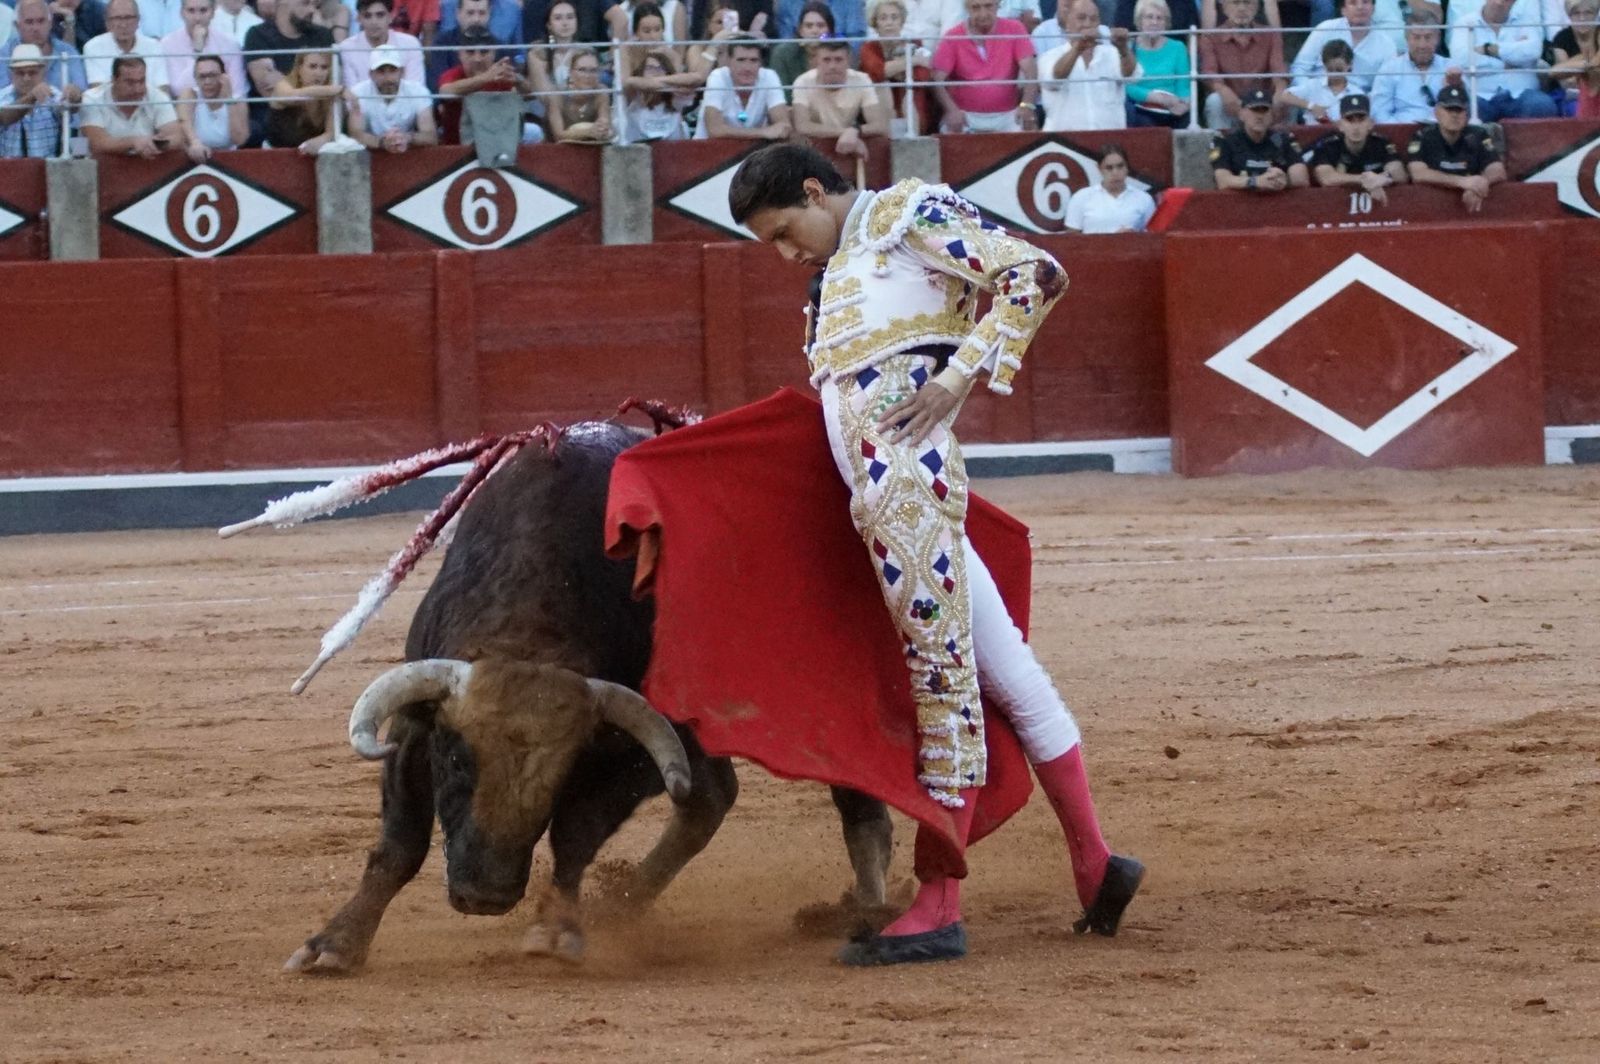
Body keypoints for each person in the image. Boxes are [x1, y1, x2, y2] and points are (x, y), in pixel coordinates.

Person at [729, 142, 1144, 965]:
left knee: (939, 673)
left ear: (816, 191)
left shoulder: (905, 218)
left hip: (906, 489)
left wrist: (957, 379)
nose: (785, 253)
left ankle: (940, 903)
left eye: (785, 231)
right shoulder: (844, 269)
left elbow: (1037, 273)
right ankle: (1097, 866)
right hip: (886, 497)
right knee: (1009, 674)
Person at [931, 0, 1039, 132]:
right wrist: (952, 110)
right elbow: (937, 80)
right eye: (976, 7)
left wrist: (1026, 105)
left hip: (1008, 115)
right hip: (966, 116)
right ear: (967, 8)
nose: (983, 13)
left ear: (998, 5)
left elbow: (1031, 71)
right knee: (948, 131)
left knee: (1030, 128)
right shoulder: (953, 36)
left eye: (988, 6)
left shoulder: (1015, 28)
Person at [1448, 0, 1560, 121]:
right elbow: (1462, 59)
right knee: (1462, 110)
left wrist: (1488, 49)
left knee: (1543, 106)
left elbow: (1532, 52)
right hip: (1480, 96)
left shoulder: (1526, 22)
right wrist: (1505, 63)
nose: (1500, 3)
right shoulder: (1465, 23)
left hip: (1522, 94)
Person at [1405, 82, 1505, 213]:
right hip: (1430, 207)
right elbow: (1418, 173)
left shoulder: (1478, 134)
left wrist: (1479, 184)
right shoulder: (1423, 136)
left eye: (1459, 110)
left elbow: (1497, 169)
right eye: (1449, 109)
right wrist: (1462, 182)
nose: (1454, 115)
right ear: (1437, 112)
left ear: (1467, 114)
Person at [1038, 0, 1137, 131]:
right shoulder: (1050, 56)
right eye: (1081, 18)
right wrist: (1078, 48)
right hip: (1064, 143)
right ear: (1067, 24)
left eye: (1093, 19)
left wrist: (1124, 49)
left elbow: (1130, 75)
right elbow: (1055, 78)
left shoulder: (1111, 53)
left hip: (1108, 143)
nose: (1087, 24)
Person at [437, 25, 535, 143]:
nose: (477, 59)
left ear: (493, 53)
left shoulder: (501, 74)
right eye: (470, 52)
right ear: (460, 54)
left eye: (484, 52)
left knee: (535, 131)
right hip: (458, 147)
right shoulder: (453, 74)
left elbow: (532, 95)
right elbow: (445, 92)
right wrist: (486, 78)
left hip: (499, 143)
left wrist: (519, 81)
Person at [792, 37, 889, 154]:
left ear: (848, 61)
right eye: (826, 60)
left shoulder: (861, 80)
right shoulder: (803, 81)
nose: (832, 66)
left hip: (849, 141)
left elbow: (879, 125)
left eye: (838, 60)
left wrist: (855, 131)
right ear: (816, 62)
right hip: (815, 143)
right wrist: (848, 132)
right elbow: (802, 126)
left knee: (880, 139)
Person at [1199, 0, 1285, 128]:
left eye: (1247, 2)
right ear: (1224, 8)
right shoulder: (1211, 37)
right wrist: (1223, 90)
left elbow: (1279, 70)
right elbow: (1209, 72)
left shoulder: (1270, 34)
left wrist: (1280, 90)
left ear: (1256, 7)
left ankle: (1285, 144)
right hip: (1230, 100)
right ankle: (1220, 144)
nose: (1242, 8)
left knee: (1288, 96)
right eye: (1235, 3)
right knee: (1215, 101)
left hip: (1262, 101)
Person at [1307, 93, 1405, 202]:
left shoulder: (1381, 143)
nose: (1356, 127)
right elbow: (1326, 178)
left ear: (1371, 123)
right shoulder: (1328, 144)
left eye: (1361, 120)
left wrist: (1383, 178)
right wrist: (1366, 179)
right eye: (1349, 120)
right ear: (1340, 125)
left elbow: (1399, 173)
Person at [1209, 85, 1308, 190]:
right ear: (1242, 114)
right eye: (1254, 110)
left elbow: (1301, 179)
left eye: (1264, 110)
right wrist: (1255, 181)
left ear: (1272, 116)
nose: (1260, 116)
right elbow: (1223, 181)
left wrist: (1283, 179)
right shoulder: (1225, 140)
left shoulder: (1284, 139)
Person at [80, 53, 183, 153]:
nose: (137, 89)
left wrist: (154, 144)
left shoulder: (157, 96)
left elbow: (177, 138)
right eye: (130, 82)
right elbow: (97, 144)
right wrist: (133, 142)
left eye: (141, 81)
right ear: (113, 80)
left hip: (148, 163)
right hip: (104, 165)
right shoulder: (92, 99)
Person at [859, 0, 935, 134]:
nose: (889, 22)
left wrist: (893, 69)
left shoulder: (914, 43)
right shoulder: (869, 48)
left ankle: (913, 138)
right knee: (882, 86)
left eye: (894, 17)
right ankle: (887, 137)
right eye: (883, 18)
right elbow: (879, 72)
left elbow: (923, 76)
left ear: (902, 21)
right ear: (875, 23)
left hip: (910, 107)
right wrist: (913, 60)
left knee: (911, 89)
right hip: (881, 109)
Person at [1290, 0, 1396, 94]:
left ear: (1373, 8)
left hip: (1357, 107)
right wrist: (1311, 94)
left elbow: (1385, 86)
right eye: (1353, 3)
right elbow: (1300, 68)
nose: (1360, 7)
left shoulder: (1386, 44)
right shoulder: (1325, 29)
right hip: (1317, 99)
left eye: (1365, 2)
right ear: (1343, 10)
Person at [695, 36, 792, 137]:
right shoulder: (717, 76)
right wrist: (763, 132)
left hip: (753, 150)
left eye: (753, 60)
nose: (747, 68)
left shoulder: (769, 76)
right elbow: (715, 129)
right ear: (728, 61)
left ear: (761, 63)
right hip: (711, 148)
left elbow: (783, 125)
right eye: (741, 60)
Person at [1367, 15, 1455, 124]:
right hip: (1402, 133)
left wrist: (1457, 84)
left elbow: (1464, 109)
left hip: (1441, 133)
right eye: (1416, 37)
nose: (1422, 45)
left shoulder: (1451, 67)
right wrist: (1399, 132)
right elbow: (1379, 112)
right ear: (1407, 38)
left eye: (1428, 37)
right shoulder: (1390, 69)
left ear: (1437, 38)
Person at [348, 44, 436, 148]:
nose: (387, 78)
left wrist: (407, 138)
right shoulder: (358, 93)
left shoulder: (418, 91)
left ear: (402, 72)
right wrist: (382, 143)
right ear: (371, 74)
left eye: (393, 70)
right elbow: (355, 134)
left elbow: (430, 136)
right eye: (381, 71)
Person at [158, 0, 245, 100]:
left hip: (224, 105)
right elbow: (178, 91)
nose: (197, 18)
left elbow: (238, 91)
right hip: (186, 107)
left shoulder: (230, 44)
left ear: (213, 12)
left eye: (203, 10)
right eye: (191, 11)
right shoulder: (167, 44)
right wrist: (197, 51)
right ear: (182, 13)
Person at [1, 0, 88, 97]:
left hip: (60, 110)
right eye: (29, 22)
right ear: (17, 26)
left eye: (41, 21)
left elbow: (81, 89)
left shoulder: (68, 52)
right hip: (19, 111)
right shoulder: (4, 56)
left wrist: (74, 93)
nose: (36, 28)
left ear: (50, 23)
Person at [1124, 0, 1188, 127]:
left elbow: (1184, 85)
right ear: (1139, 21)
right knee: (1145, 124)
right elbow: (1126, 86)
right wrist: (1155, 98)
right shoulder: (1128, 48)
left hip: (1173, 108)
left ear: (1166, 23)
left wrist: (1183, 105)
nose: (1154, 22)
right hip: (1141, 107)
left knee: (1187, 122)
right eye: (1149, 17)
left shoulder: (1178, 47)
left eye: (1160, 18)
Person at [267, 47, 345, 150]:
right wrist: (334, 90)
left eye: (324, 67)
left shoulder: (332, 93)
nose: (318, 73)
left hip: (314, 154)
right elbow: (292, 97)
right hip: (277, 153)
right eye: (312, 67)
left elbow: (331, 133)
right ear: (299, 69)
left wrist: (320, 141)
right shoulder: (283, 85)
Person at [1064, 144, 1155, 231]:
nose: (1115, 173)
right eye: (1109, 168)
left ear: (1127, 168)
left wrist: (1132, 237)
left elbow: (1153, 236)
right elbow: (1072, 240)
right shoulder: (1081, 197)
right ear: (1099, 169)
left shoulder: (1144, 199)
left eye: (1120, 166)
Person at [338, 0, 426, 88]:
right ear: (358, 19)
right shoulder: (347, 48)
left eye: (380, 15)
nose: (374, 22)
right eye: (367, 16)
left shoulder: (410, 44)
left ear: (391, 16)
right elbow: (352, 95)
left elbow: (416, 89)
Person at [0, 42, 67, 157]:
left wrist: (76, 95)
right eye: (20, 73)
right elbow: (3, 117)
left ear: (43, 72)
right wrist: (32, 96)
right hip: (9, 170)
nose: (26, 78)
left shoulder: (53, 94)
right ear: (11, 74)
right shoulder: (2, 96)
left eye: (32, 73)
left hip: (47, 169)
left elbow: (70, 109)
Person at [83, 0, 169, 88]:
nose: (124, 24)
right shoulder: (93, 47)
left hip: (149, 101)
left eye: (128, 17)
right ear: (107, 23)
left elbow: (162, 89)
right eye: (117, 18)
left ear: (138, 20)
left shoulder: (154, 46)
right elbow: (97, 91)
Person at [176, 50, 247, 156]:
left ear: (223, 76)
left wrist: (228, 99)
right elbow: (183, 128)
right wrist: (195, 143)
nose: (207, 81)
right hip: (197, 156)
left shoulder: (238, 101)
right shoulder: (190, 95)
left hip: (229, 157)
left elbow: (239, 139)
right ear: (195, 79)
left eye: (213, 75)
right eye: (202, 76)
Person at [1277, 37, 1359, 123]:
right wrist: (1311, 106)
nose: (1334, 74)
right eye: (1330, 69)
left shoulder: (1356, 92)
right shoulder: (1314, 85)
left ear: (1350, 65)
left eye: (1339, 70)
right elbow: (1284, 96)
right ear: (1324, 66)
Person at [545, 44, 612, 140]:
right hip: (557, 149)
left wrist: (603, 129)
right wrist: (587, 132)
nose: (588, 76)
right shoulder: (557, 95)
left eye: (593, 70)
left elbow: (605, 125)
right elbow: (558, 135)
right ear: (570, 72)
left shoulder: (601, 92)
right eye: (582, 70)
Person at [620, 47, 689, 139]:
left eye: (661, 68)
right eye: (650, 68)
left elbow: (677, 60)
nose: (656, 72)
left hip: (672, 150)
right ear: (642, 72)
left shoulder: (675, 96)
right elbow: (626, 81)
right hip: (639, 151)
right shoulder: (633, 94)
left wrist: (663, 49)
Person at [770, 0, 831, 94]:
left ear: (830, 31)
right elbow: (782, 97)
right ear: (801, 31)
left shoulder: (840, 54)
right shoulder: (782, 54)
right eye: (809, 26)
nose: (815, 31)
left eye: (821, 25)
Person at [1551, 0, 1600, 119]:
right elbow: (1555, 73)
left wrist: (1579, 69)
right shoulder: (1564, 38)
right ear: (1569, 15)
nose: (1582, 18)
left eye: (1588, 13)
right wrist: (1586, 66)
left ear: (1595, 15)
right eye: (1576, 13)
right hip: (1576, 102)